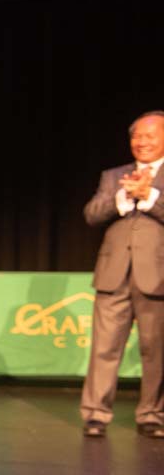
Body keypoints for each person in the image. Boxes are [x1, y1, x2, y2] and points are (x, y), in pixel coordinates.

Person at [80, 111, 164, 438]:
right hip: (113, 274)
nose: (142, 142)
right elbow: (91, 214)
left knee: (155, 350)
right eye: (137, 137)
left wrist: (150, 197)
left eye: (150, 136)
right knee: (104, 348)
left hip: (157, 276)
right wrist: (122, 197)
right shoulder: (113, 175)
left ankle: (152, 415)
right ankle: (95, 414)